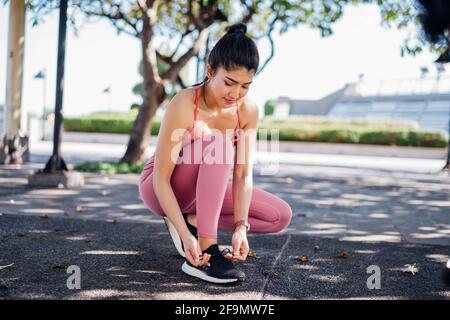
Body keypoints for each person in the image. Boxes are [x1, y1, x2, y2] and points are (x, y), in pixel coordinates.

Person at [139, 23, 292, 284]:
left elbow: (242, 175)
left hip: (204, 193)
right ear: (210, 71)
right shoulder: (185, 103)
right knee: (220, 144)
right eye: (229, 82)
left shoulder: (249, 111)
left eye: (245, 86)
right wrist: (186, 237)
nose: (236, 94)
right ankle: (206, 250)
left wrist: (240, 227)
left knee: (279, 216)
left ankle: (195, 220)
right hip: (163, 187)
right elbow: (160, 179)